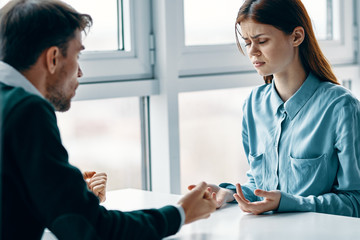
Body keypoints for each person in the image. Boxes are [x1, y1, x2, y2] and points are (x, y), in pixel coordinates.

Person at [0, 0, 217, 239]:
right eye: (77, 55)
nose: (80, 72)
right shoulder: (27, 110)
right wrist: (181, 212)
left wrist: (70, 192)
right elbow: (92, 229)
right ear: (53, 58)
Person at [189, 0, 360, 217]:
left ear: (296, 37)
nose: (252, 52)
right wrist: (230, 193)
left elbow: (356, 201)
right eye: (247, 42)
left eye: (261, 41)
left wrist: (288, 202)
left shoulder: (340, 107)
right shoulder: (253, 105)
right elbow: (261, 186)